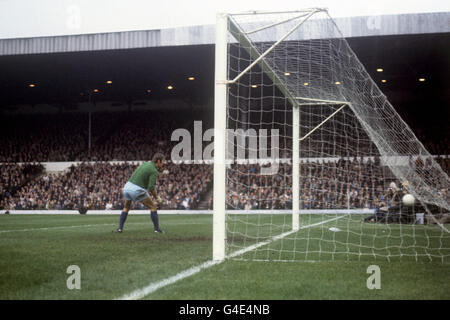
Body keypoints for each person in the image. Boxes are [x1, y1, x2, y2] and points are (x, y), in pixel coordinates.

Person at [117, 153, 165, 233]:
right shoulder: (154, 170)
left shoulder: (145, 163)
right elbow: (151, 187)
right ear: (158, 161)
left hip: (127, 186)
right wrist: (157, 198)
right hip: (137, 189)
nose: (163, 163)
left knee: (126, 208)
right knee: (153, 207)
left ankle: (120, 228)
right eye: (163, 161)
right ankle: (157, 229)